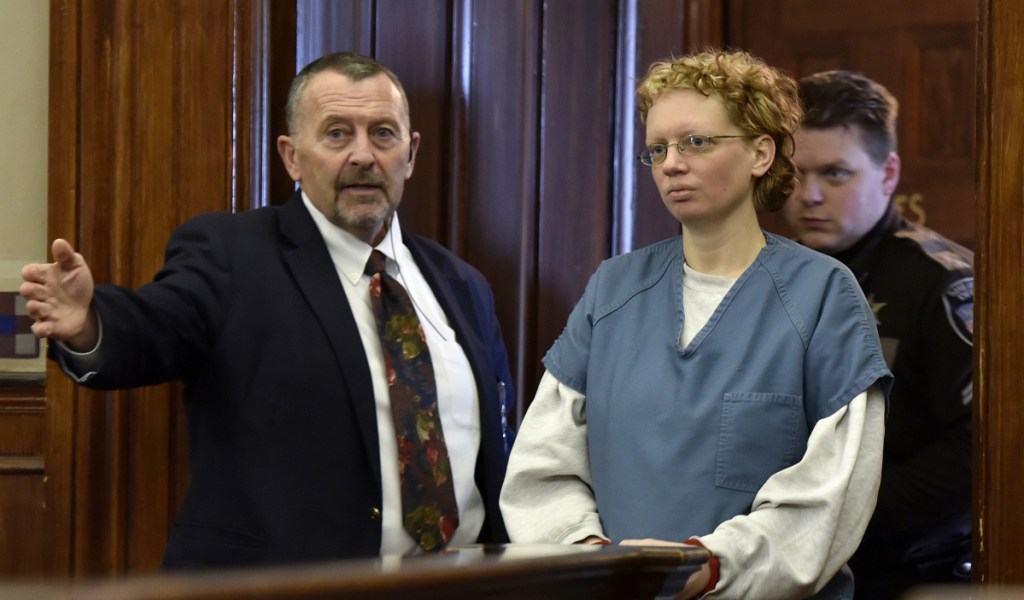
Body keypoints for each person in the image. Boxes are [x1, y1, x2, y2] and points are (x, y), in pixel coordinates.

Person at [19, 52, 514, 569]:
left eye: (383, 134)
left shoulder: (463, 285)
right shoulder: (233, 255)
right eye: (337, 134)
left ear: (410, 155)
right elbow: (154, 327)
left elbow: (498, 452)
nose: (363, 155)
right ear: (292, 156)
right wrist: (90, 323)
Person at [499, 49, 892, 600]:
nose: (671, 164)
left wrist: (707, 567)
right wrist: (588, 557)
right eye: (658, 148)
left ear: (760, 152)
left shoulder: (824, 294)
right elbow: (542, 467)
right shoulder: (612, 290)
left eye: (696, 142)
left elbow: (830, 497)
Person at [782, 70, 973, 598]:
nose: (810, 195)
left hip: (910, 572)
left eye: (835, 174)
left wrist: (844, 520)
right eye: (795, 174)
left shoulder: (943, 283)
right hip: (791, 567)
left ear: (888, 174)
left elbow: (979, 445)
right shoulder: (768, 275)